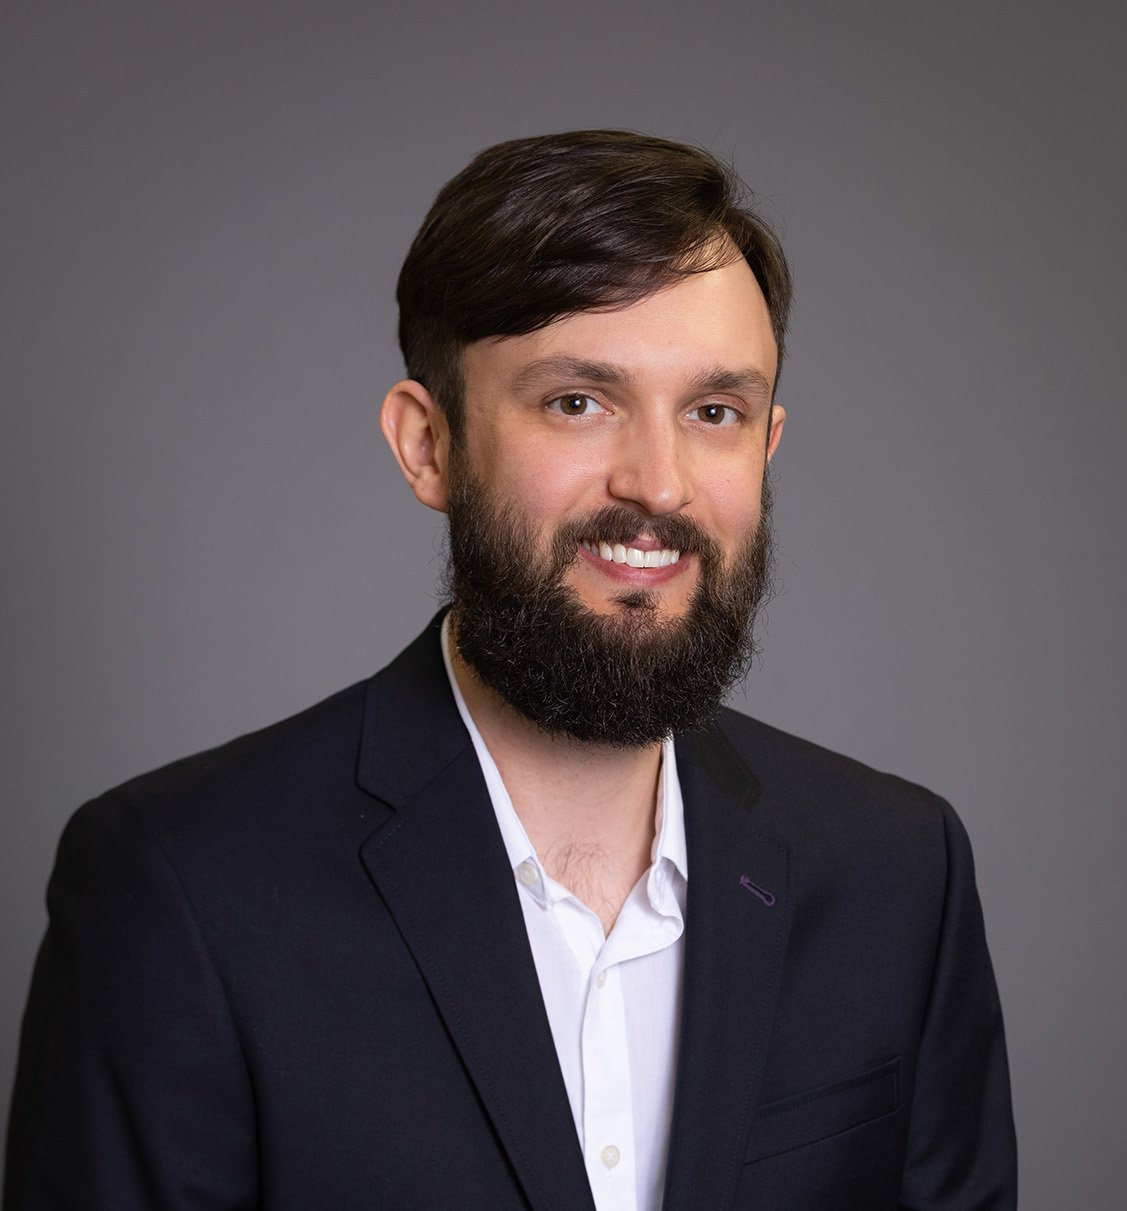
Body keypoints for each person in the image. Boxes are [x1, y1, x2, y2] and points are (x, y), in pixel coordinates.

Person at [5, 130, 1015, 1210]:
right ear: (427, 445)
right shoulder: (180, 888)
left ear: (766, 446)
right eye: (577, 401)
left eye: (712, 412)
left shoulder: (900, 873)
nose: (659, 484)